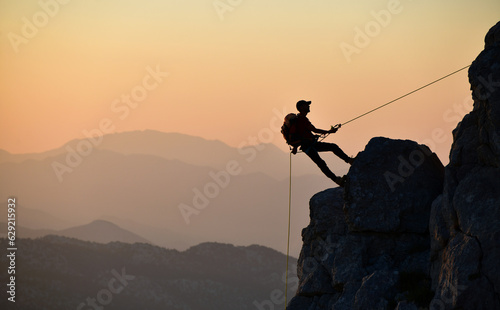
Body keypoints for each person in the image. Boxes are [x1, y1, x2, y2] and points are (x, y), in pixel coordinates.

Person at [292, 100, 354, 187]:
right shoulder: (302, 119)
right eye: (307, 105)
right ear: (302, 107)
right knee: (322, 162)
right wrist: (329, 131)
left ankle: (348, 163)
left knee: (330, 150)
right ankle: (338, 178)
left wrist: (295, 146)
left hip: (309, 145)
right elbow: (314, 130)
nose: (309, 106)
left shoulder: (299, 118)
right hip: (308, 146)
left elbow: (301, 133)